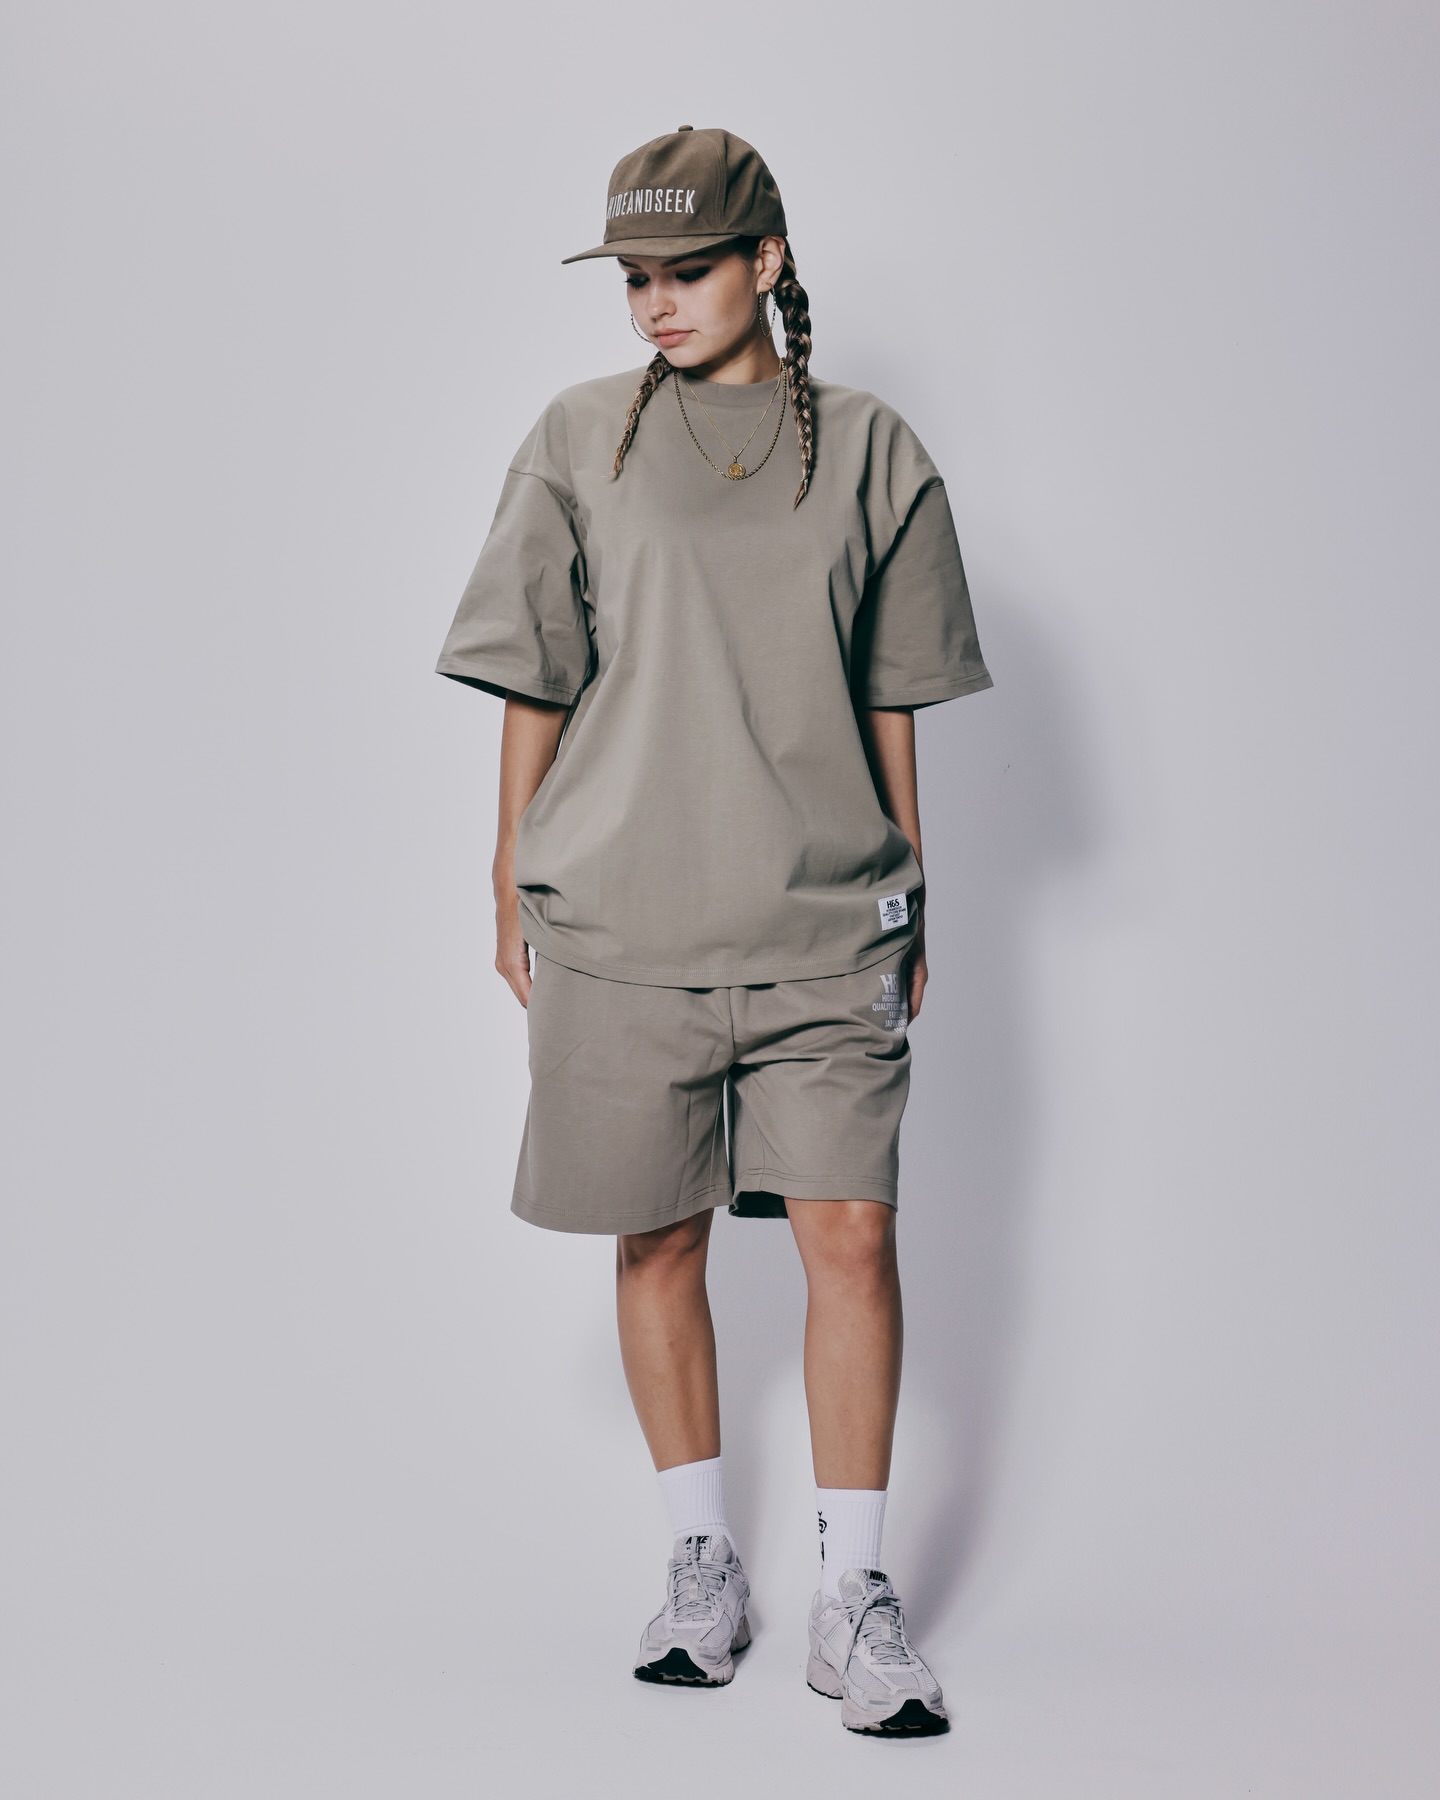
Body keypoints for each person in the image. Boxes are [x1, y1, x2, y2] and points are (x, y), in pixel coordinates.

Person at [435, 126, 993, 1737]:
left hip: (824, 919)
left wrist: (911, 883)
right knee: (659, 1237)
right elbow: (535, 674)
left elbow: (892, 692)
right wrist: (505, 879)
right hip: (621, 918)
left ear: (767, 261)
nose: (657, 303)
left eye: (686, 270)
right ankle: (702, 1564)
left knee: (853, 1238)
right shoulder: (579, 438)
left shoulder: (874, 449)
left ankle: (853, 1593)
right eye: (635, 279)